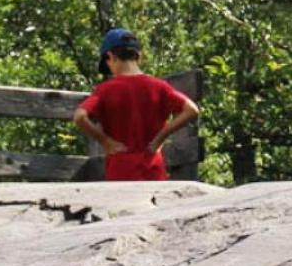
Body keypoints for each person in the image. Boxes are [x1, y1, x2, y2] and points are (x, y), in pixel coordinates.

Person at [73, 29, 202, 182]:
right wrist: (161, 137)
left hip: (120, 170)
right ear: (139, 57)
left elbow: (80, 116)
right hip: (153, 169)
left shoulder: (105, 90)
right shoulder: (159, 87)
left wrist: (105, 141)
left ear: (110, 57)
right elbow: (192, 110)